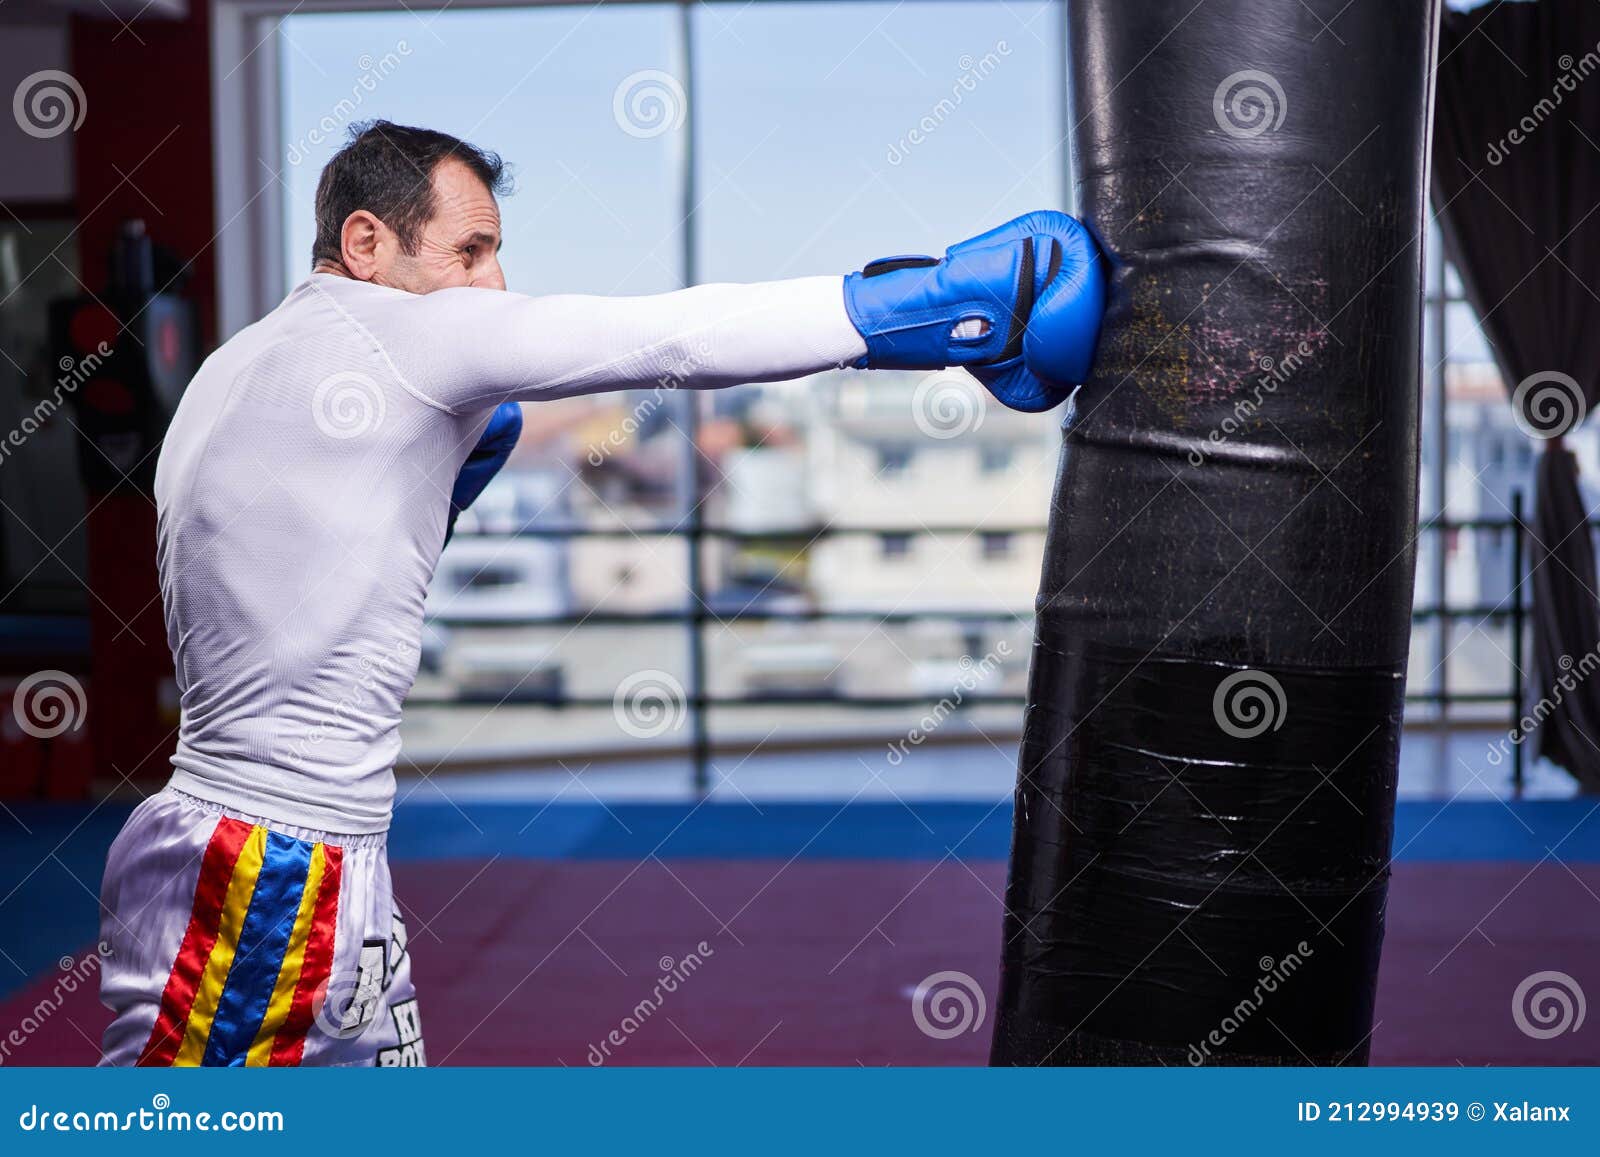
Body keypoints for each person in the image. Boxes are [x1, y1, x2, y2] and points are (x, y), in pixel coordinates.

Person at [96, 120, 1106, 1067]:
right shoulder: (399, 339)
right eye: (470, 251)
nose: (493, 285)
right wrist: (936, 304)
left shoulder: (232, 371)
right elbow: (667, 338)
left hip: (298, 849)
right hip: (267, 864)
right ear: (366, 241)